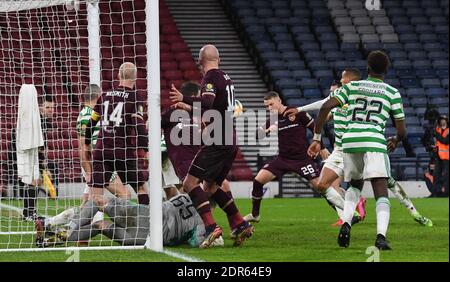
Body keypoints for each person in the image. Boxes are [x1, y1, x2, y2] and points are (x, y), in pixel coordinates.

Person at [285, 69, 432, 227]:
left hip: (363, 147)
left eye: (341, 81)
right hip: (342, 150)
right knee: (322, 185)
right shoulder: (337, 104)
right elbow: (324, 106)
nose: (333, 94)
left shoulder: (357, 98)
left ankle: (415, 213)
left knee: (388, 182)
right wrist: (302, 111)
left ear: (348, 80)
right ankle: (351, 213)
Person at [308, 50, 406, 250]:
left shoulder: (352, 86)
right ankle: (380, 237)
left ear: (367, 68)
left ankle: (345, 223)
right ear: (386, 69)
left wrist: (317, 138)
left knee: (354, 186)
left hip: (350, 141)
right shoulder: (392, 92)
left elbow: (326, 107)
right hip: (374, 141)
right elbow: (401, 129)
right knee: (380, 190)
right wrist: (395, 140)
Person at [169, 45, 253, 248]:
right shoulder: (226, 77)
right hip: (230, 138)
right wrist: (187, 106)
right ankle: (240, 223)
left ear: (200, 61)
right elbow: (213, 107)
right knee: (212, 186)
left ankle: (211, 227)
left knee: (190, 184)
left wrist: (184, 98)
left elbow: (206, 105)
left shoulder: (210, 78)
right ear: (219, 59)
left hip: (217, 139)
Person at [244, 91, 351, 224]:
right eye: (267, 106)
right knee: (258, 181)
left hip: (302, 159)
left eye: (271, 104)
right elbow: (256, 136)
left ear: (279, 101)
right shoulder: (272, 119)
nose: (269, 108)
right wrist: (266, 131)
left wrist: (322, 147)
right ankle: (255, 215)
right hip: (283, 159)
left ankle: (345, 215)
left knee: (321, 187)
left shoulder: (296, 112)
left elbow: (314, 127)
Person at [35, 191, 223, 248]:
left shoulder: (183, 195)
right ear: (211, 207)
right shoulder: (202, 223)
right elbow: (198, 243)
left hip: (141, 214)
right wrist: (215, 239)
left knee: (98, 201)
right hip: (148, 237)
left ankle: (69, 227)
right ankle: (51, 241)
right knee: (101, 226)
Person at [84, 62, 149, 204]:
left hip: (102, 150)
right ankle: (145, 223)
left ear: (118, 75)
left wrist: (87, 144)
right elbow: (139, 127)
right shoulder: (135, 97)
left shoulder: (105, 95)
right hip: (123, 151)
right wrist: (146, 149)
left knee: (95, 197)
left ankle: (77, 224)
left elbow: (91, 123)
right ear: (135, 77)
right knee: (142, 189)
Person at [432, 115, 449, 197]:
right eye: (441, 120)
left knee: (446, 175)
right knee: (436, 175)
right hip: (438, 156)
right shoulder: (437, 129)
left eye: (444, 120)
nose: (443, 121)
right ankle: (436, 193)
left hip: (447, 156)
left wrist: (437, 135)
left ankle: (446, 193)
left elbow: (445, 141)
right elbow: (437, 142)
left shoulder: (447, 130)